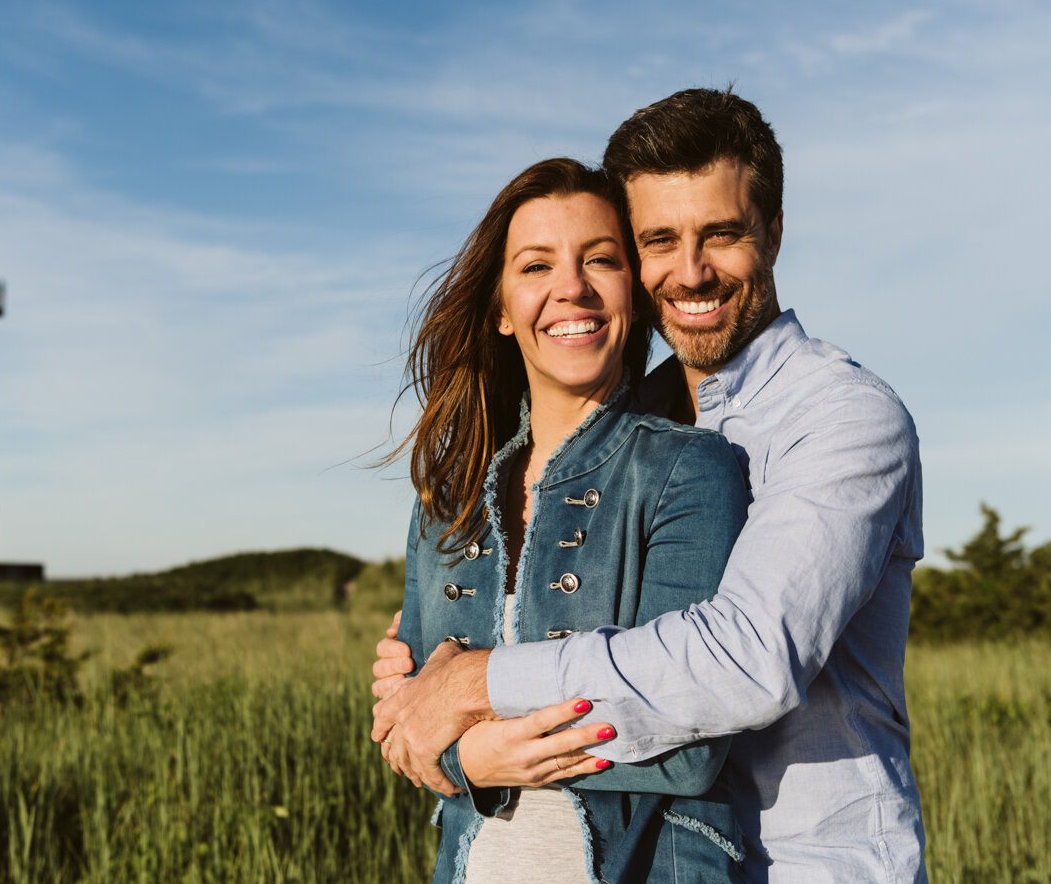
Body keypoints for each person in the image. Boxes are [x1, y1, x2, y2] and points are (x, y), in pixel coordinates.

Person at [372, 89, 927, 883]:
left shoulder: (843, 416)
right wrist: (423, 685)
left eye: (723, 234)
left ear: (772, 231)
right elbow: (467, 651)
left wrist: (476, 691)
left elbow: (746, 657)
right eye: (659, 240)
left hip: (814, 863)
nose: (691, 270)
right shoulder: (633, 429)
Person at [385, 156, 753, 882]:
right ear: (499, 308)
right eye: (536, 265)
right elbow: (409, 727)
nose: (571, 288)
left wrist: (474, 747)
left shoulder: (691, 470)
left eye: (600, 260)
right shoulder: (446, 501)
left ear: (635, 295)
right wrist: (446, 742)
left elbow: (690, 744)